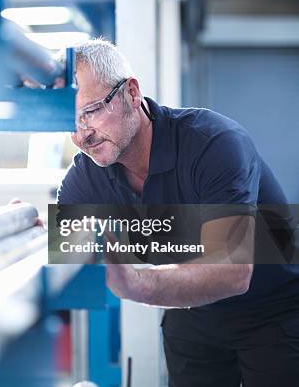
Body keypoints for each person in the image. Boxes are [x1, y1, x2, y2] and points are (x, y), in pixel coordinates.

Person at [56, 38, 299, 386]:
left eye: (91, 111)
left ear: (132, 93)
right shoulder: (87, 175)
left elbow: (232, 272)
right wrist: (26, 235)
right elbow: (64, 249)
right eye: (71, 121)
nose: (82, 135)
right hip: (192, 312)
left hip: (273, 311)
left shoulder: (214, 144)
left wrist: (138, 281)